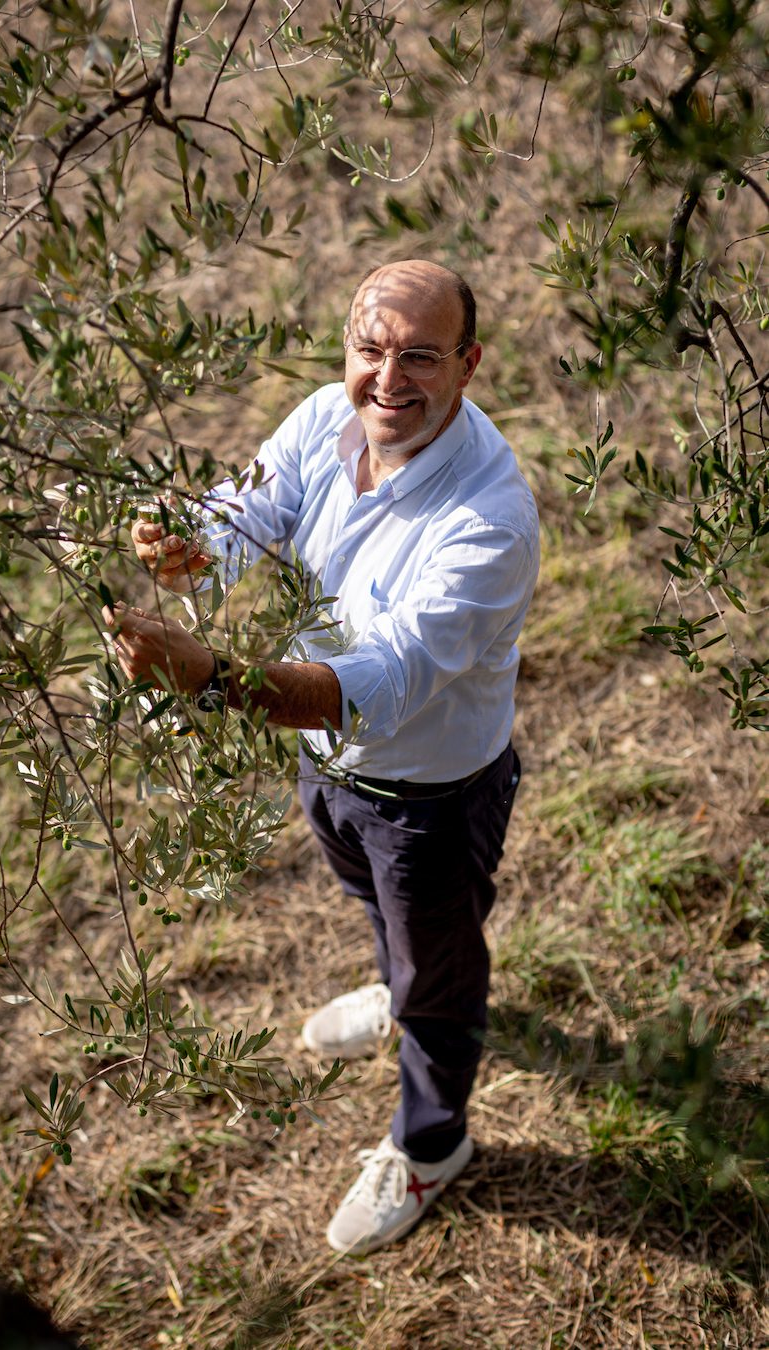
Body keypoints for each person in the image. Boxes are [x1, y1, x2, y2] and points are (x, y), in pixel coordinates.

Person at [105, 259, 539, 1255]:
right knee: (377, 908)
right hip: (327, 763)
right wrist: (190, 547)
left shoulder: (489, 522)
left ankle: (431, 1146)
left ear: (469, 365)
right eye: (371, 351)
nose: (390, 379)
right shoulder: (323, 418)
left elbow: (368, 684)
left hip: (430, 791)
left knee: (442, 971)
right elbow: (251, 510)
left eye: (421, 356)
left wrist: (209, 677)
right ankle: (395, 983)